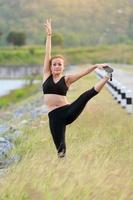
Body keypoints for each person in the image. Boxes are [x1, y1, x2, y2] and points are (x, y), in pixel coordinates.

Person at [42, 19, 113, 158]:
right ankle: (63, 169)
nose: (56, 66)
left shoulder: (67, 79)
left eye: (59, 64)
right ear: (50, 67)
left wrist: (94, 66)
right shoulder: (46, 75)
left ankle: (106, 78)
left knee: (85, 96)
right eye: (54, 64)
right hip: (54, 117)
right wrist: (49, 36)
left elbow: (82, 73)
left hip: (67, 111)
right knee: (61, 150)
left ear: (63, 67)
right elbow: (47, 54)